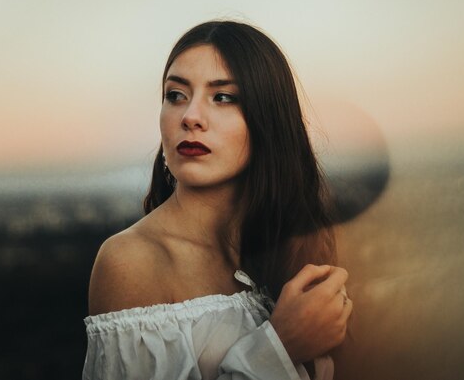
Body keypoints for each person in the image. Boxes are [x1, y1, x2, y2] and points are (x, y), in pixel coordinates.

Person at [82, 20, 352, 380]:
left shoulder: (293, 247)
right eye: (175, 95)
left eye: (223, 97)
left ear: (268, 119)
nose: (190, 117)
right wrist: (279, 350)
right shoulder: (130, 262)